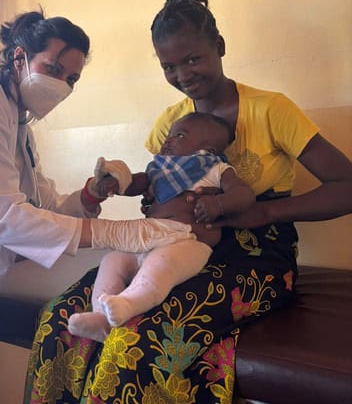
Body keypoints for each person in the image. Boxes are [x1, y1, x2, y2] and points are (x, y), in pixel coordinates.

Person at [24, 0, 352, 404]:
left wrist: (263, 211)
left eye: (192, 59)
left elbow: (346, 187)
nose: (183, 74)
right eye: (169, 66)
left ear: (220, 46)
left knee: (134, 340)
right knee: (59, 317)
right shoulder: (171, 124)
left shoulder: (271, 109)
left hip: (255, 256)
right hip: (172, 244)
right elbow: (152, 189)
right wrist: (136, 195)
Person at [0, 10, 193, 404]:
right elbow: (6, 218)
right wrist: (117, 233)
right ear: (20, 57)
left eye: (71, 79)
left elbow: (43, 207)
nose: (61, 85)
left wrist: (91, 195)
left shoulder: (18, 126)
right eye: (54, 69)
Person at [67, 111, 256, 342]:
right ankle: (101, 318)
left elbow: (243, 193)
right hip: (148, 238)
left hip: (186, 243)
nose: (168, 140)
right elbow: (136, 183)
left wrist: (218, 204)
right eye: (169, 135)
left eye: (180, 135)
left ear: (208, 149)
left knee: (161, 266)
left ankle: (128, 304)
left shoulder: (216, 169)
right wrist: (116, 182)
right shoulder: (159, 168)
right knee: (112, 260)